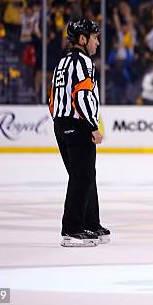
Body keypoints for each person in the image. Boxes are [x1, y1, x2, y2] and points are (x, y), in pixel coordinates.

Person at [48, 19, 109, 247]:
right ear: (82, 39)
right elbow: (83, 96)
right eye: (94, 37)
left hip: (61, 125)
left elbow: (52, 98)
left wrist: (60, 122)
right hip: (79, 124)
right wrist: (93, 125)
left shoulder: (61, 63)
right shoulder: (83, 62)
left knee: (84, 175)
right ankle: (72, 229)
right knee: (82, 176)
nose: (98, 42)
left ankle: (91, 223)